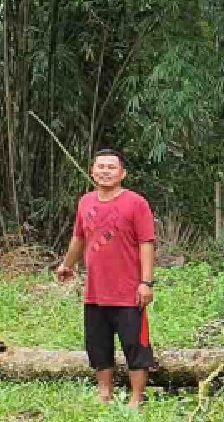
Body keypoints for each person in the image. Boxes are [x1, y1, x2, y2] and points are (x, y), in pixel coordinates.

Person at [54, 148, 156, 405]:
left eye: (111, 167)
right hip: (96, 291)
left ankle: (136, 397)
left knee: (135, 344)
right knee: (98, 345)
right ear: (92, 171)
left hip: (129, 291)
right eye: (100, 167)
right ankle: (104, 392)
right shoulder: (85, 202)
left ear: (123, 173)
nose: (105, 171)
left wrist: (146, 282)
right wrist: (66, 265)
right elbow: (79, 237)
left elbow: (147, 243)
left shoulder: (136, 203)